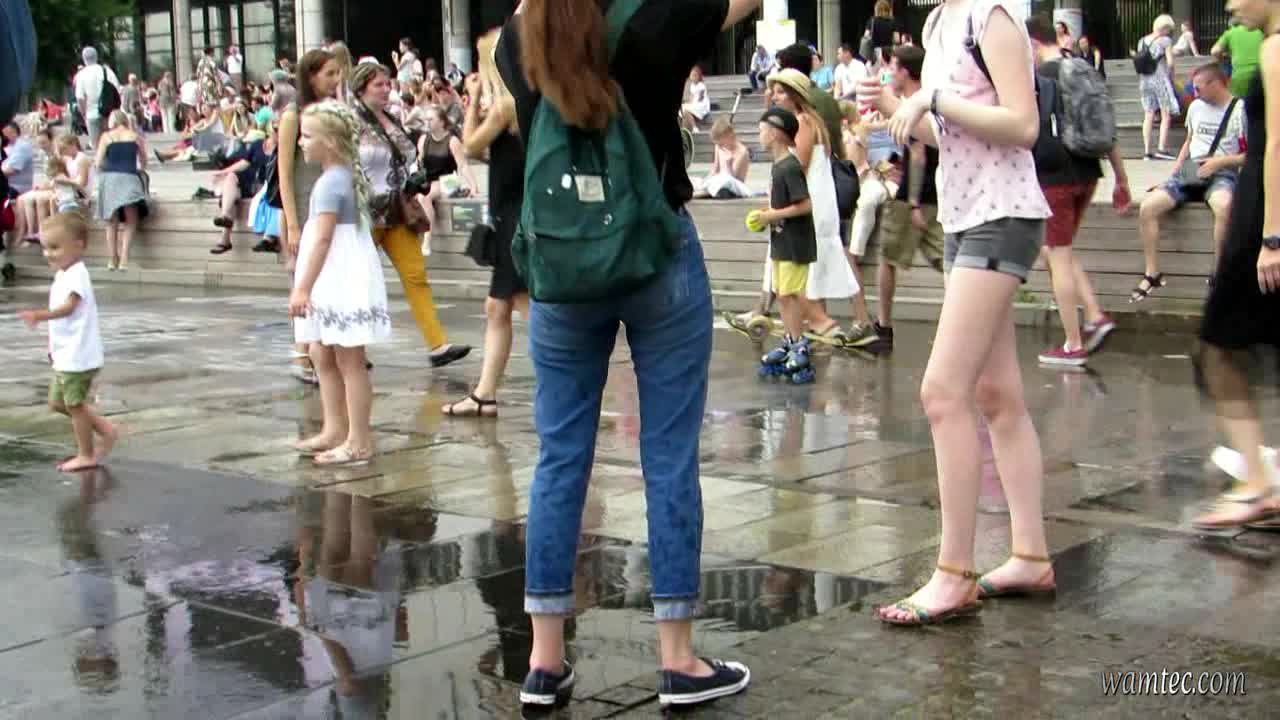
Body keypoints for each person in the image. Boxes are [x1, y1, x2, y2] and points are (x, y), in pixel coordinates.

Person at [495, 0, 757, 709]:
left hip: (562, 262)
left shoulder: (519, 33)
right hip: (655, 252)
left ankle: (544, 661)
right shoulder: (656, 18)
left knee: (559, 458)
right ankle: (678, 659)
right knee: (668, 456)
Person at [862, 0, 1055, 626]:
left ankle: (955, 571)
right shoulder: (938, 22)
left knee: (943, 392)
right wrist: (898, 108)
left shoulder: (989, 14)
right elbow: (952, 135)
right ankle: (1030, 554)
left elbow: (1023, 124)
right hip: (965, 216)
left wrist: (934, 98)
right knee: (997, 393)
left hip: (1002, 213)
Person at [1191, 0, 1280, 530]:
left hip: (1262, 217)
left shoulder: (1275, 47)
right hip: (1262, 211)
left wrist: (1272, 236)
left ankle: (1257, 486)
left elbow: (1278, 146)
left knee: (1218, 345)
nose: (1228, 4)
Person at [288, 100, 391, 466]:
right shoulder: (337, 177)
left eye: (307, 136)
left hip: (340, 275)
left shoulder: (333, 182)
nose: (300, 142)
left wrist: (303, 287)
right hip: (334, 273)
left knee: (350, 359)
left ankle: (359, 440)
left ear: (330, 142)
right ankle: (335, 428)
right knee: (321, 351)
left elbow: (322, 239)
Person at [350, 62, 472, 367]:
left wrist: (414, 177)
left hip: (398, 208)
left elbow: (405, 158)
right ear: (361, 88)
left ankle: (437, 345)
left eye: (387, 83)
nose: (386, 89)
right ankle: (352, 349)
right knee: (359, 281)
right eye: (378, 84)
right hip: (365, 212)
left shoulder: (392, 119)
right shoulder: (351, 121)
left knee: (416, 276)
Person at [1025, 14, 1130, 366]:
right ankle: (1095, 315)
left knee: (1057, 254)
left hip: (1056, 177)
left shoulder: (1042, 77)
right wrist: (1121, 179)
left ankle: (1073, 344)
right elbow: (1106, 126)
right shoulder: (1082, 67)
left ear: (1033, 43)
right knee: (1058, 251)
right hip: (1088, 172)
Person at [442, 29, 528, 417]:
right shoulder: (522, 101)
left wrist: (474, 97)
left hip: (514, 217)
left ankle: (572, 384)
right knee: (498, 306)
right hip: (513, 212)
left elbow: (470, 146)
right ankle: (484, 394)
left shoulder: (505, 106)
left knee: (524, 305)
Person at [1132, 62, 1245, 303]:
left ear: (1216, 84)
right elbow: (1189, 141)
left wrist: (1220, 162)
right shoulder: (1195, 107)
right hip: (1191, 170)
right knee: (1148, 207)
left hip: (1222, 171)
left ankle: (1219, 273)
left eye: (1198, 88)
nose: (1194, 93)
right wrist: (1172, 175)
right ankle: (1152, 272)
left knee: (1224, 206)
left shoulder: (1240, 110)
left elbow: (1251, 154)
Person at [17, 211, 117, 473]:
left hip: (79, 356)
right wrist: (53, 348)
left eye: (55, 247)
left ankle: (86, 454)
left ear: (78, 245)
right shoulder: (64, 273)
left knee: (74, 405)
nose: (48, 254)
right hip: (66, 354)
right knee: (58, 403)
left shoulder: (77, 274)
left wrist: (39, 315)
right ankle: (106, 429)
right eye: (45, 247)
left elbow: (69, 308)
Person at [766, 70, 859, 347]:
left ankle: (819, 321)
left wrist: (781, 198)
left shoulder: (803, 121)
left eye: (780, 92)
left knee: (799, 263)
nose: (774, 96)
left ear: (795, 96)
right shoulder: (806, 120)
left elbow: (800, 165)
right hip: (812, 199)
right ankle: (810, 321)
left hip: (809, 201)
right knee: (802, 265)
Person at [873, 45, 944, 351]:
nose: (890, 72)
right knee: (948, 261)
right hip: (938, 193)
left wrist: (913, 201)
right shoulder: (933, 100)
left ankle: (883, 327)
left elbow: (918, 154)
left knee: (888, 259)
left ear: (905, 72)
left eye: (893, 67)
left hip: (913, 199)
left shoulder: (913, 106)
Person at [279, 49, 341, 384]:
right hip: (303, 208)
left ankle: (326, 348)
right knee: (304, 281)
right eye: (329, 74)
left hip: (329, 204)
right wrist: (292, 223)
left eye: (337, 73)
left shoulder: (332, 110)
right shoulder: (293, 115)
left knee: (327, 278)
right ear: (311, 75)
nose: (335, 80)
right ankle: (302, 353)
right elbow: (284, 173)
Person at [754, 106, 817, 382]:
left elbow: (805, 205)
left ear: (776, 133)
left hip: (795, 243)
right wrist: (765, 215)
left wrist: (772, 216)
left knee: (790, 294)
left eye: (762, 130)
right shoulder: (778, 166)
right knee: (782, 293)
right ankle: (790, 339)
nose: (759, 135)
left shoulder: (790, 167)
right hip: (782, 240)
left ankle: (799, 343)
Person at [415, 105, 478, 251]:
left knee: (424, 197)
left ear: (442, 122)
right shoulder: (423, 139)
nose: (427, 122)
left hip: (450, 180)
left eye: (431, 119)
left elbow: (463, 166)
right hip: (429, 180)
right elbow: (419, 163)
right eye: (425, 120)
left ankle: (427, 239)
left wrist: (474, 186)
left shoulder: (452, 141)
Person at [95, 111, 148, 270]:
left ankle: (112, 259)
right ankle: (125, 258)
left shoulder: (106, 137)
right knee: (131, 220)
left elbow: (98, 162)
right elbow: (143, 160)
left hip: (110, 179)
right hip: (129, 178)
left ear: (113, 121)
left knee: (111, 221)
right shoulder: (135, 136)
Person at [208, 132, 271, 254]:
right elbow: (244, 163)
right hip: (249, 182)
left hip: (264, 186)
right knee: (231, 178)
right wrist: (223, 172)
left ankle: (225, 240)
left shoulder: (281, 148)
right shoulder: (257, 145)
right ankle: (225, 216)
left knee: (231, 196)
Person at [1137, 14, 1181, 160]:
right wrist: (1172, 77)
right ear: (1165, 27)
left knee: (1148, 114)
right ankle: (1161, 149)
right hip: (1160, 78)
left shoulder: (1142, 41)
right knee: (1165, 114)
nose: (1169, 32)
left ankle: (1146, 152)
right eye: (1169, 29)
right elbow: (1170, 63)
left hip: (1144, 81)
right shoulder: (1165, 41)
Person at [73, 47, 120, 148]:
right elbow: (117, 90)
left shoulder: (81, 74)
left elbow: (80, 98)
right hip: (108, 113)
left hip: (91, 114)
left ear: (83, 58)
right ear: (97, 57)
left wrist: (84, 114)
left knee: (97, 146)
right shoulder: (107, 71)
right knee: (111, 143)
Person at [694, 117, 750, 198]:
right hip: (718, 182)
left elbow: (734, 179)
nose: (720, 147)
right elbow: (715, 170)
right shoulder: (719, 147)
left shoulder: (742, 152)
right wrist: (706, 180)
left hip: (733, 187)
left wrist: (729, 165)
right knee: (699, 181)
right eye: (718, 145)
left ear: (729, 136)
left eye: (721, 144)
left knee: (722, 188)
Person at [1213, 19, 1266, 97]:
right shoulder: (1262, 31)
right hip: (1262, 75)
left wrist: (1222, 58)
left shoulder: (1230, 32)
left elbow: (1214, 51)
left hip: (1240, 77)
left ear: (1232, 26)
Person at [868, 0, 899, 67]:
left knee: (875, 71)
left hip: (875, 52)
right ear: (888, 10)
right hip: (889, 52)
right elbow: (897, 39)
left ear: (876, 9)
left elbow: (866, 36)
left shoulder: (872, 21)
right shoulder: (892, 22)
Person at [681, 65, 711, 132]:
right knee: (684, 109)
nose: (693, 77)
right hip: (694, 102)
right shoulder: (692, 85)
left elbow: (701, 98)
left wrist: (694, 103)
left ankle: (694, 127)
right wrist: (689, 102)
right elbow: (691, 96)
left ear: (699, 77)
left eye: (695, 76)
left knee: (687, 110)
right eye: (692, 75)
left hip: (701, 104)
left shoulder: (701, 85)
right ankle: (687, 129)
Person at [197, 47, 224, 112]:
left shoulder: (200, 62)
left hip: (203, 85)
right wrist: (219, 87)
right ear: (211, 52)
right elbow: (216, 75)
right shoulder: (212, 61)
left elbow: (198, 74)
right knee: (215, 104)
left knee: (207, 103)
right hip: (211, 84)